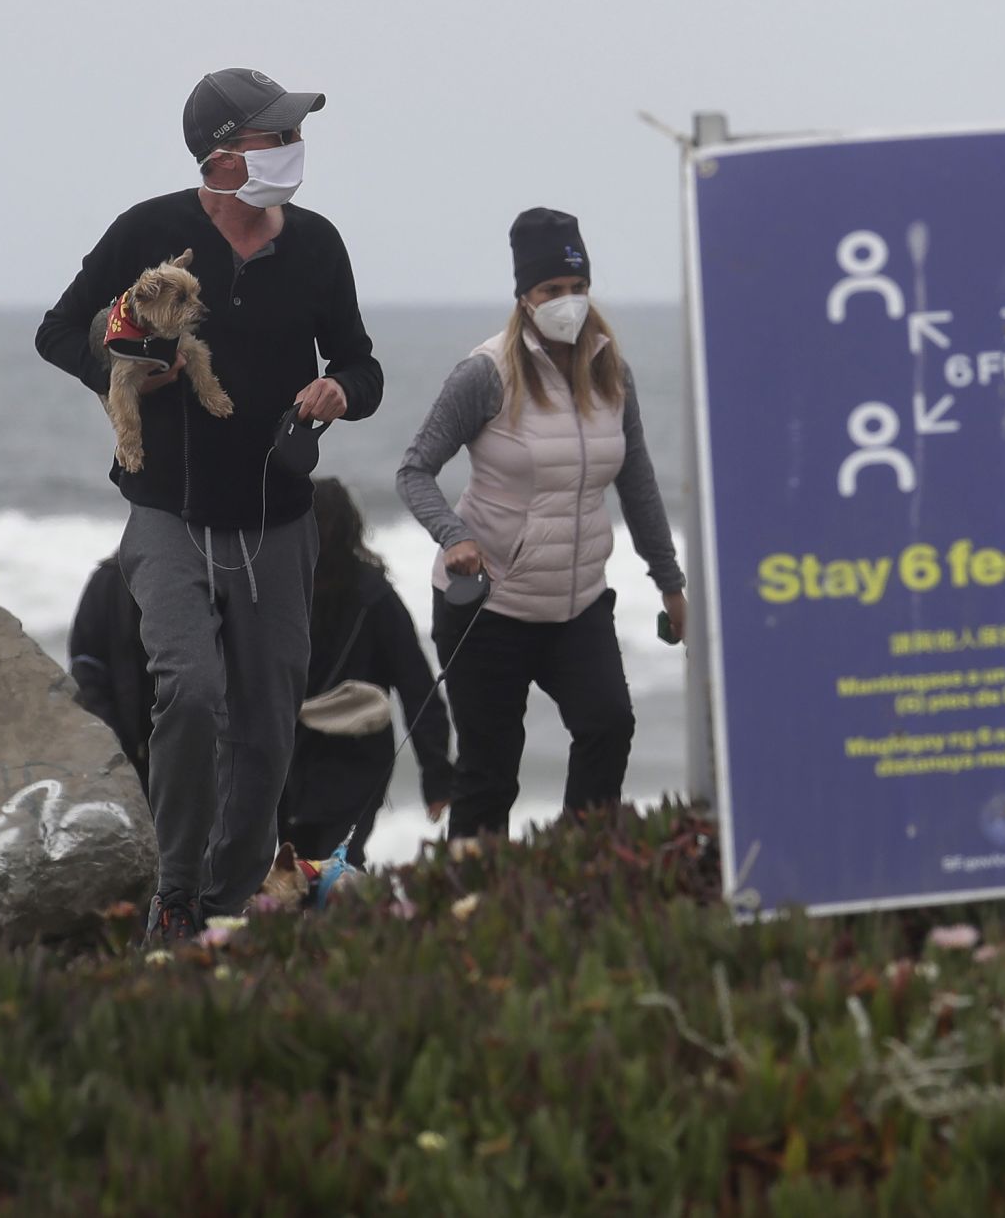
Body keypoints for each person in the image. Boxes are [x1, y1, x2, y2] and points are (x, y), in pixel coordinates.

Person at [35, 68, 383, 941]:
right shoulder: (148, 231)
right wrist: (116, 373)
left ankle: (225, 905)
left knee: (267, 725)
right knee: (190, 692)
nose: (295, 152)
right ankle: (178, 892)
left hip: (276, 514)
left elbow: (364, 367)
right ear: (225, 159)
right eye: (277, 138)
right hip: (168, 511)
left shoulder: (317, 244)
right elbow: (58, 329)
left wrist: (340, 387)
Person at [397, 208, 686, 839]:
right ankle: (472, 912)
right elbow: (415, 471)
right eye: (552, 290)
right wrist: (456, 536)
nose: (568, 303)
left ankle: (580, 873)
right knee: (490, 776)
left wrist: (670, 582)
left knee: (609, 725)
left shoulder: (612, 372)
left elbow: (637, 485)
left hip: (577, 603)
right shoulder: (486, 373)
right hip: (488, 609)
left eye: (578, 289)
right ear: (525, 296)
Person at [278, 478, 452, 869]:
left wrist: (437, 774)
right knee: (329, 868)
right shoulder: (374, 597)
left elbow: (415, 686)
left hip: (309, 759)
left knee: (304, 870)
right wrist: (436, 775)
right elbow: (418, 686)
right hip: (346, 760)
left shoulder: (284, 593)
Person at [67, 555, 152, 792]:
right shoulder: (109, 579)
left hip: (190, 746)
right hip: (128, 745)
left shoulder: (197, 574)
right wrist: (111, 737)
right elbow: (85, 667)